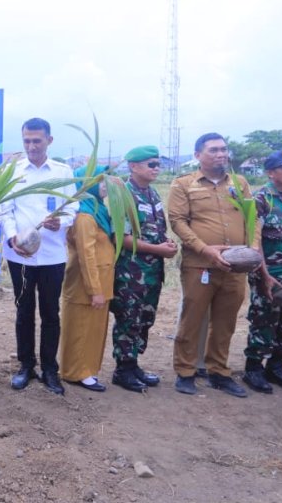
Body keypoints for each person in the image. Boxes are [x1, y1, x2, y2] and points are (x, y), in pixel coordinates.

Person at [168, 132, 259, 398]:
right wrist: (205, 249)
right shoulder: (183, 184)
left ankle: (219, 372)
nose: (221, 154)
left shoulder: (240, 183)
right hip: (200, 266)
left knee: (225, 322)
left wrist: (252, 248)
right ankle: (185, 372)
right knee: (192, 320)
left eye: (223, 149)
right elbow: (178, 221)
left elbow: (252, 217)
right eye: (213, 150)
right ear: (198, 155)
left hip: (235, 267)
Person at [2, 118, 76, 395]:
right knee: (23, 312)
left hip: (52, 255)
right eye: (27, 141)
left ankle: (49, 369)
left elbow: (73, 206)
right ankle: (25, 366)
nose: (31, 146)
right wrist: (12, 237)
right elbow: (5, 210)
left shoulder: (62, 171)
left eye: (37, 140)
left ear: (49, 141)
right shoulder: (14, 172)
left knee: (50, 313)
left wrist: (63, 222)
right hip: (19, 256)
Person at [109, 146, 178, 392]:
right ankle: (123, 370)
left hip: (152, 271)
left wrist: (167, 243)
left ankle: (134, 364)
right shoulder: (123, 195)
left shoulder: (152, 193)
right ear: (134, 166)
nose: (156, 169)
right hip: (131, 271)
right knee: (128, 319)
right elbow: (122, 238)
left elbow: (156, 228)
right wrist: (159, 250)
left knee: (145, 319)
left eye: (158, 164)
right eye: (151, 164)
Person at [58, 166, 114, 392]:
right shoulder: (84, 215)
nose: (105, 187)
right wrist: (94, 290)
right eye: (100, 182)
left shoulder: (99, 210)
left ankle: (87, 370)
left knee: (94, 329)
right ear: (88, 184)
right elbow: (86, 255)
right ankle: (75, 372)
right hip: (86, 284)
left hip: (102, 280)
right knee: (81, 328)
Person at [242, 150, 282, 393]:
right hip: (269, 272)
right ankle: (253, 368)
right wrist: (264, 274)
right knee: (264, 320)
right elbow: (255, 240)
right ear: (271, 173)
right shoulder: (261, 199)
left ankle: (276, 366)